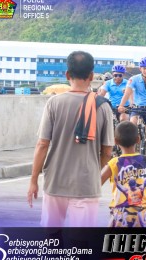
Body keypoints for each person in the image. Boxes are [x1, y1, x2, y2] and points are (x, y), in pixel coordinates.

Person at [27, 51, 114, 227]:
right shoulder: (103, 106)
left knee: (52, 240)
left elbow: (42, 145)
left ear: (67, 74)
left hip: (55, 181)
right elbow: (107, 151)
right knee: (81, 242)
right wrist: (93, 172)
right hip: (86, 185)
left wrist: (33, 180)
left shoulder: (54, 103)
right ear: (91, 75)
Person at [118, 57, 146, 160]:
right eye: (144, 68)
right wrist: (121, 105)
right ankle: (130, 155)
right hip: (137, 108)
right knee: (132, 126)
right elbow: (127, 92)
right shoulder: (134, 79)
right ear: (140, 69)